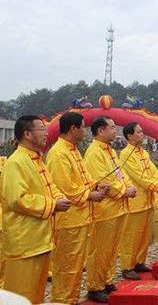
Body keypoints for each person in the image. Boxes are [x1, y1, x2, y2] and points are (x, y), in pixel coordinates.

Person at [1, 116, 70, 304]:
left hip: (40, 240)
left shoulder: (37, 159)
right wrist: (52, 205)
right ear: (27, 134)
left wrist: (59, 198)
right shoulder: (16, 162)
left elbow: (51, 186)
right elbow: (18, 199)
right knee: (21, 296)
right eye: (42, 129)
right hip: (24, 243)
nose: (46, 133)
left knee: (36, 295)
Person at [46, 112, 108, 304]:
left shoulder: (73, 150)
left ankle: (71, 299)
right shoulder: (58, 153)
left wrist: (96, 187)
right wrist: (90, 194)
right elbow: (65, 187)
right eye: (82, 126)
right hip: (68, 220)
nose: (85, 131)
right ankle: (63, 300)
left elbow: (85, 179)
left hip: (80, 218)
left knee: (76, 266)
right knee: (66, 266)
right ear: (73, 129)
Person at [84, 116, 137, 302]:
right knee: (100, 250)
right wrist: (124, 190)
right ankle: (94, 286)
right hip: (105, 210)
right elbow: (102, 181)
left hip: (118, 208)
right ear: (101, 130)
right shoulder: (93, 153)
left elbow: (120, 174)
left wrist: (128, 186)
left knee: (112, 249)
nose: (116, 131)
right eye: (113, 128)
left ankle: (106, 280)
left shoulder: (111, 151)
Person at [118, 123, 158, 280]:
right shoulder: (125, 154)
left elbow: (153, 172)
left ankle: (139, 262)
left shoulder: (143, 153)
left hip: (148, 201)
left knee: (144, 235)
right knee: (131, 236)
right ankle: (127, 266)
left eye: (142, 132)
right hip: (135, 202)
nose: (143, 134)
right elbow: (139, 178)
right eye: (139, 132)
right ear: (130, 136)